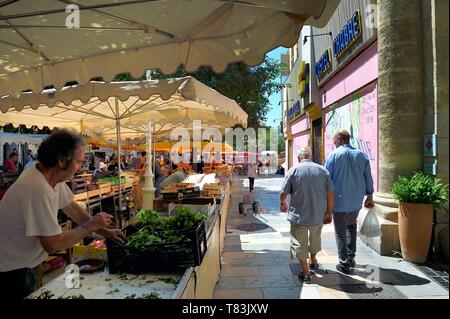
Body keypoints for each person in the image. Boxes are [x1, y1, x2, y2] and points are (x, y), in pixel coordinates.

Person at [0, 129, 125, 299]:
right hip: (9, 272)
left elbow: (72, 208)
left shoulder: (51, 178)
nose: (80, 166)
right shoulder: (37, 187)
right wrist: (90, 226)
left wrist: (104, 231)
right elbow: (52, 244)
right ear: (61, 161)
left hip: (22, 265)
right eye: (78, 162)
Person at [280, 147, 334, 283]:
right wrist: (329, 212)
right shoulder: (323, 170)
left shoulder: (294, 170)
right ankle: (313, 260)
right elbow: (330, 193)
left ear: (299, 158)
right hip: (318, 214)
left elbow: (283, 192)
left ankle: (306, 273)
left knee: (298, 243)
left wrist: (283, 203)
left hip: (299, 215)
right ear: (311, 157)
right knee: (315, 238)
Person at [325, 130, 374, 274]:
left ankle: (344, 263)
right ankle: (351, 258)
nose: (334, 143)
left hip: (339, 201)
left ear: (340, 140)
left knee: (340, 232)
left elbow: (327, 179)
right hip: (356, 200)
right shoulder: (361, 155)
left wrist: (325, 201)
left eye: (334, 141)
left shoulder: (333, 155)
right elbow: (368, 177)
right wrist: (369, 195)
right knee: (351, 226)